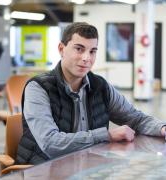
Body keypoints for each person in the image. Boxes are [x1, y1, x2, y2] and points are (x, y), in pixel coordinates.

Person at [16, 22, 166, 165]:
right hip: (42, 168)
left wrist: (162, 128)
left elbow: (136, 119)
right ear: (61, 49)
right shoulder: (38, 88)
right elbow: (51, 143)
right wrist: (106, 135)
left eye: (92, 51)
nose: (86, 58)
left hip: (87, 166)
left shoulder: (101, 86)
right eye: (79, 49)